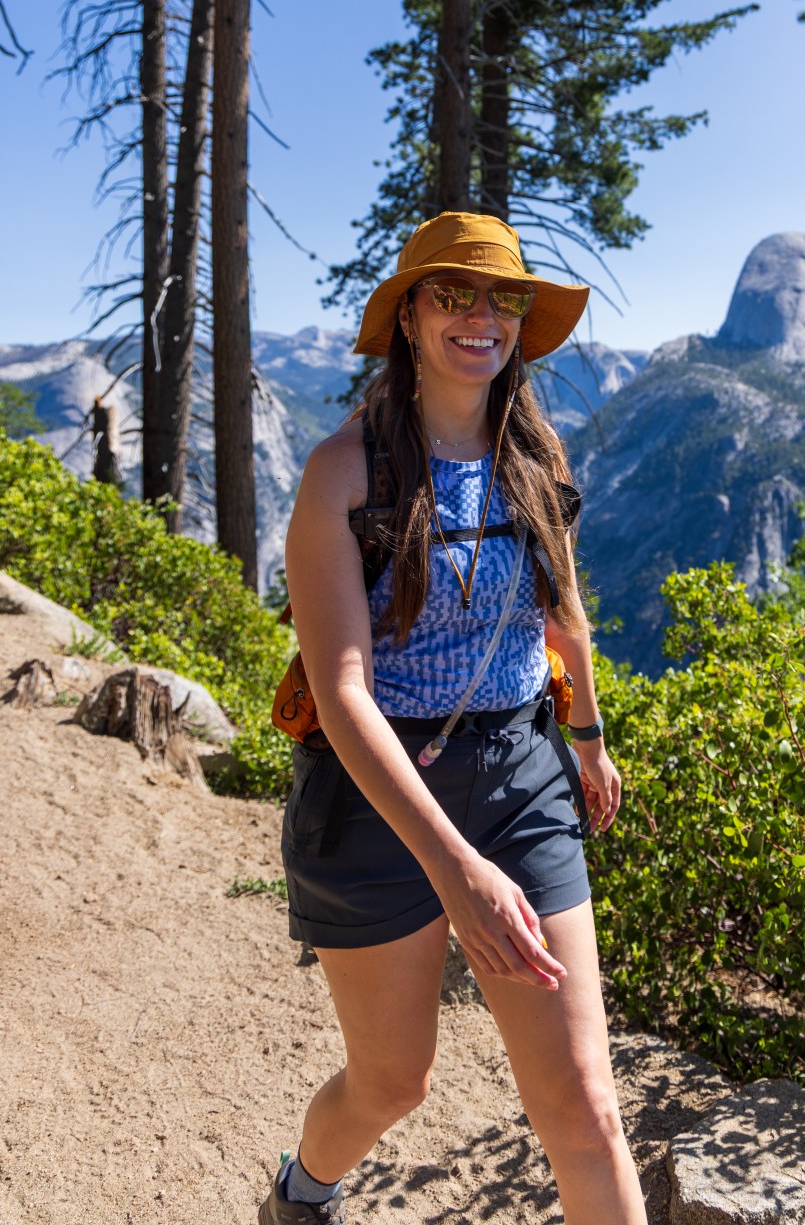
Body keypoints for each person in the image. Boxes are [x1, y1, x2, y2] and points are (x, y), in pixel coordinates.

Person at [258, 211, 646, 1225]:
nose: (481, 318)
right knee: (394, 1080)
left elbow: (560, 605)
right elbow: (340, 691)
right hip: (377, 790)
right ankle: (302, 1193)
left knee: (586, 1108)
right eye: (454, 295)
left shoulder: (532, 451)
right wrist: (453, 867)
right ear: (410, 315)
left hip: (521, 773)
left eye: (503, 299)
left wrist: (588, 736)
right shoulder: (343, 474)